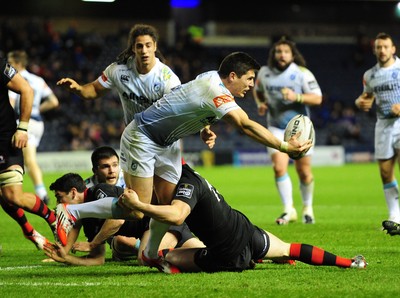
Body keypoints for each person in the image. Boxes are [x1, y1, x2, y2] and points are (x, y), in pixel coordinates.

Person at [55, 51, 312, 270]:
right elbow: (244, 125)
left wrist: (203, 126)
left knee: (166, 203)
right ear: (232, 76)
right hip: (142, 136)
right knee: (136, 207)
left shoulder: (208, 77)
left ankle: (149, 253)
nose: (251, 85)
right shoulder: (215, 90)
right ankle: (73, 211)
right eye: (249, 79)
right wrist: (285, 146)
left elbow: (188, 102)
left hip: (166, 143)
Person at [54, 162, 367, 273]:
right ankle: (349, 262)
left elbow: (176, 213)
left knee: (162, 258)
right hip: (244, 229)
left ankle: (174, 263)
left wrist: (141, 204)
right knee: (289, 248)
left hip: (224, 255)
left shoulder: (186, 187)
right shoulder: (189, 175)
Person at [45, 172, 204, 266]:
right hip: (152, 231)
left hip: (160, 223)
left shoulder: (99, 191)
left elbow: (117, 220)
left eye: (60, 198)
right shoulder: (87, 219)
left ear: (73, 192)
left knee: (144, 258)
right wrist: (66, 257)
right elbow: (98, 259)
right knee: (209, 254)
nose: (59, 204)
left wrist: (93, 243)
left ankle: (168, 251)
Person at [253, 37, 322, 225]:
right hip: (275, 126)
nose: (281, 55)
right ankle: (288, 209)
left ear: (292, 55)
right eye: (278, 51)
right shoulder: (265, 73)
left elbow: (317, 98)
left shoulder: (301, 73)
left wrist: (296, 96)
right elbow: (257, 90)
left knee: (304, 172)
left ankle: (307, 208)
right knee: (279, 167)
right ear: (273, 54)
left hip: (301, 130)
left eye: (285, 51)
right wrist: (261, 103)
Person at [0, 57, 56, 250]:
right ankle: (30, 231)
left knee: (13, 195)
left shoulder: (2, 66)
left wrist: (22, 127)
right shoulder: (39, 80)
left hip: (5, 136)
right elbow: (53, 100)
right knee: (5, 194)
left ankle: (53, 217)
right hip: (34, 121)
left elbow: (26, 90)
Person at [354, 33, 400, 234]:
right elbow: (365, 97)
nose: (382, 50)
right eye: (378, 47)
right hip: (383, 126)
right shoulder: (369, 75)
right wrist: (360, 102)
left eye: (385, 47)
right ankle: (394, 215)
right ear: (374, 50)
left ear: (393, 49)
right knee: (385, 172)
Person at [8, 50, 60, 205]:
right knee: (27, 158)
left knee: (29, 159)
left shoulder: (14, 78)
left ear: (17, 63)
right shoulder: (38, 79)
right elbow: (54, 101)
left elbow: (11, 103)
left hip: (24, 122)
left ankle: (42, 193)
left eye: (10, 62)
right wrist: (36, 109)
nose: (7, 65)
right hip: (38, 122)